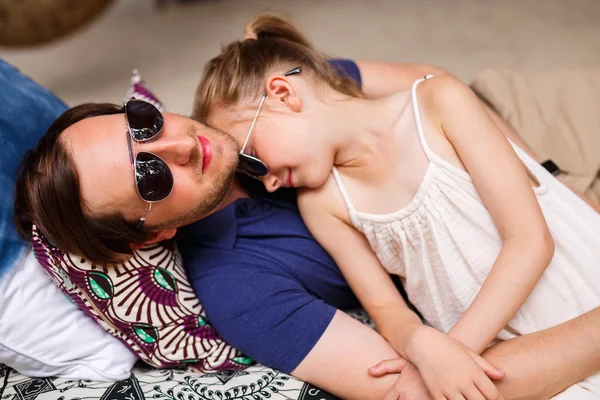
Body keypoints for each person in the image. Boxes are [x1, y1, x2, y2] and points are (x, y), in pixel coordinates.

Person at [12, 20, 600, 400]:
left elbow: (431, 84)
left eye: (142, 124)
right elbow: (421, 388)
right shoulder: (241, 289)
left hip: (507, 163)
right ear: (150, 235)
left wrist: (547, 182)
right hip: (512, 302)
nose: (179, 143)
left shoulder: (256, 103)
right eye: (150, 174)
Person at [195, 14, 600, 399]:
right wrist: (420, 343)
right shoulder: (323, 204)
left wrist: (454, 350)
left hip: (573, 282)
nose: (265, 181)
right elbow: (387, 308)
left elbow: (529, 242)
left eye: (253, 159)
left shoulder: (439, 102)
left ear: (283, 94)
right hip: (496, 346)